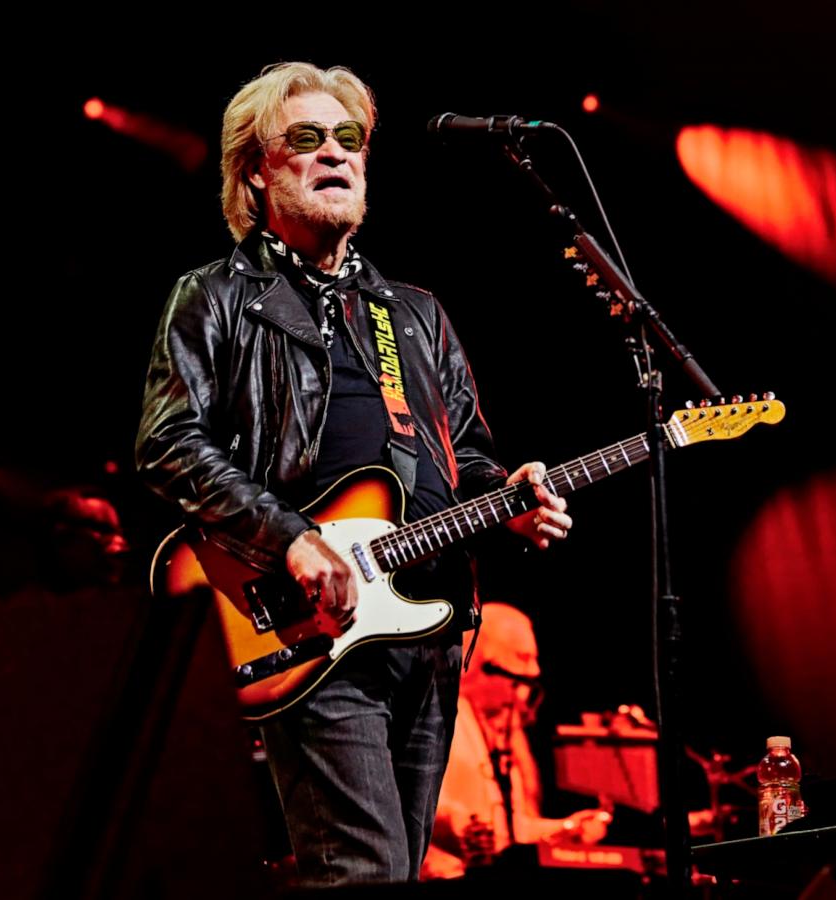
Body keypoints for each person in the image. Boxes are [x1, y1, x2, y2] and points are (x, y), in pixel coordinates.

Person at [135, 62, 572, 886]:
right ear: (256, 170)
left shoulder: (411, 312)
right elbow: (168, 443)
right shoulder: (217, 297)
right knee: (364, 873)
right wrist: (292, 538)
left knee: (400, 872)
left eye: (349, 139)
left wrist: (506, 500)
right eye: (305, 138)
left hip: (427, 633)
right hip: (308, 626)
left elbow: (466, 456)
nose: (334, 153)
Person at [423, 603, 612, 879]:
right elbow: (410, 803)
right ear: (483, 669)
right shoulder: (440, 717)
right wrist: (454, 821)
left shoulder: (501, 736)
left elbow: (511, 831)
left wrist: (567, 828)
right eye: (516, 681)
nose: (522, 697)